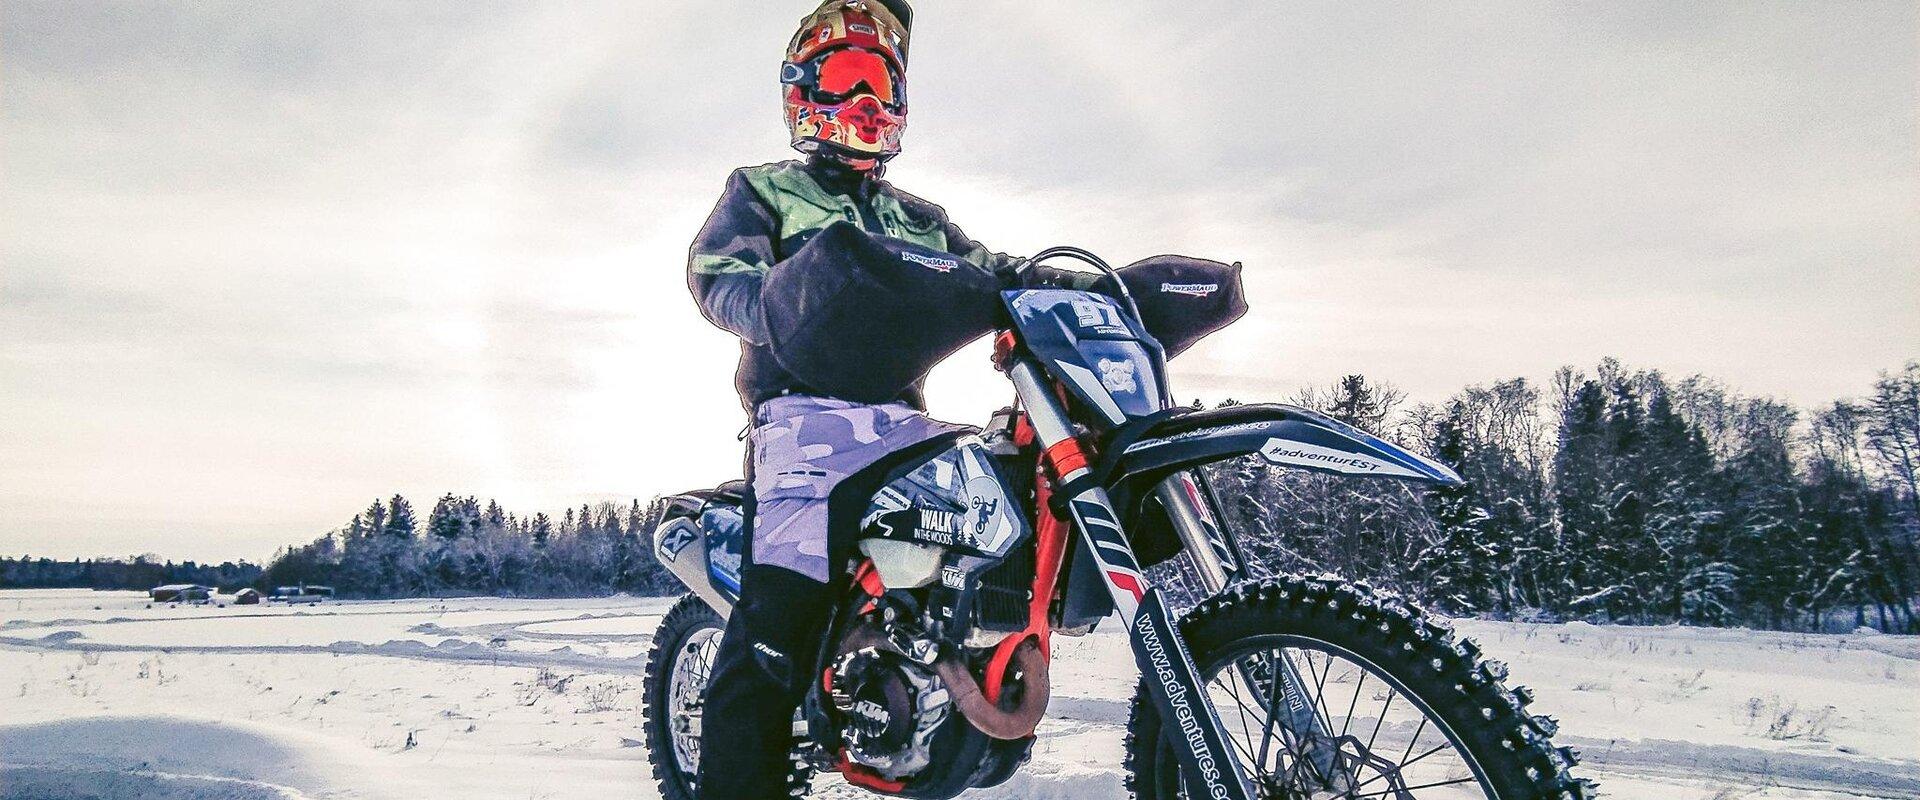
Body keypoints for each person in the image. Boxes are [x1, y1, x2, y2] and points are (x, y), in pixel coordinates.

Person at [684, 2, 1095, 797]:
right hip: (804, 429)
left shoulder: (918, 219)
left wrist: (1066, 286)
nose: (868, 101)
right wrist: (776, 300)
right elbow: (716, 273)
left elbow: (996, 272)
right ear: (804, 90)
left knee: (1010, 503)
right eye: (848, 77)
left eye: (884, 84)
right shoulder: (765, 190)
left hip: (906, 429)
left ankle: (940, 681)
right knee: (775, 632)